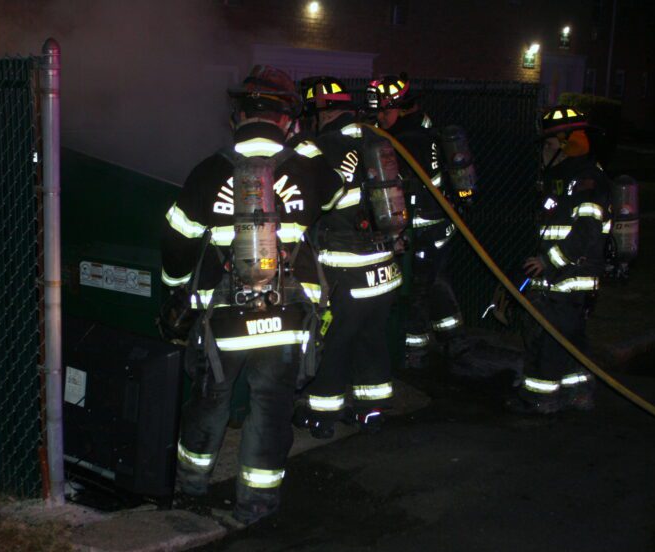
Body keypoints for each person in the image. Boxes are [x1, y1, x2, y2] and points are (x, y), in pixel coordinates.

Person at [160, 65, 344, 524]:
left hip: (223, 317)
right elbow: (336, 197)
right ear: (287, 119)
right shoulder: (305, 166)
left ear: (238, 115)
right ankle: (256, 504)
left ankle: (190, 489)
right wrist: (305, 145)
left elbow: (178, 240)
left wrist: (174, 288)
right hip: (286, 316)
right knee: (271, 407)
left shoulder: (209, 170)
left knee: (209, 401)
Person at [292, 76, 405, 438]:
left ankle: (323, 416)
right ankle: (372, 409)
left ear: (320, 113)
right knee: (372, 338)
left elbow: (308, 203)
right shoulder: (377, 139)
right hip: (383, 269)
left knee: (334, 340)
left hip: (344, 269)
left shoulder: (321, 147)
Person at [507, 105, 612, 415]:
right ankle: (579, 392)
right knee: (570, 337)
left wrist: (548, 261)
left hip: (569, 276)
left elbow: (586, 233)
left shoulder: (587, 180)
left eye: (549, 145)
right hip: (561, 275)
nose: (543, 153)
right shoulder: (564, 178)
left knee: (549, 339)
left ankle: (540, 398)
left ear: (567, 145)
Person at [367, 74, 464, 369]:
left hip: (424, 230)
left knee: (417, 290)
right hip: (436, 228)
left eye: (385, 112)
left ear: (402, 107)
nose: (380, 118)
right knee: (436, 283)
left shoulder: (407, 140)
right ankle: (452, 340)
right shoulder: (423, 129)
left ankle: (414, 353)